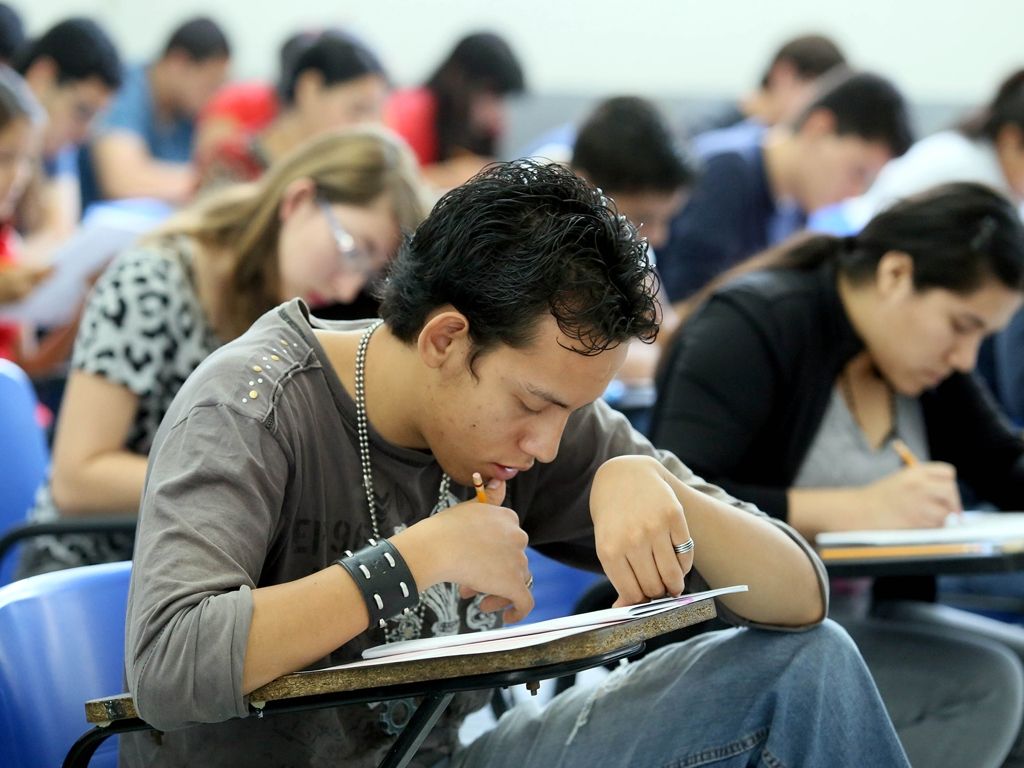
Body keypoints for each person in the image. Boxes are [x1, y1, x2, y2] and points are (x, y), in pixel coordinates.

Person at [122, 159, 908, 767]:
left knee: (807, 671)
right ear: (444, 340)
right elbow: (167, 662)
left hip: (455, 756)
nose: (549, 446)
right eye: (536, 406)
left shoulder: (535, 418)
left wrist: (650, 482)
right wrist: (415, 559)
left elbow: (800, 596)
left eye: (570, 414)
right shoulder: (251, 401)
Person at [650, 182, 1024, 767]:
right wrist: (854, 509)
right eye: (962, 325)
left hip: (864, 618)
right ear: (896, 274)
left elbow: (1007, 467)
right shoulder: (755, 325)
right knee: (986, 683)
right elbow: (670, 499)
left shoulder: (925, 364)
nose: (965, 357)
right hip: (745, 633)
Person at [16, 127, 427, 578]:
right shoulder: (152, 283)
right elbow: (77, 479)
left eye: (369, 270)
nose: (347, 285)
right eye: (352, 248)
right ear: (298, 201)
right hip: (94, 568)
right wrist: (252, 487)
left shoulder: (297, 320)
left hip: (200, 563)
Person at [657, 70, 913, 305]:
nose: (855, 192)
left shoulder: (795, 207)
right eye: (858, 172)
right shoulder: (727, 171)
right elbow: (678, 315)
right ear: (819, 127)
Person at [569, 95, 696, 387]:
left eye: (667, 220)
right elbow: (575, 355)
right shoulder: (535, 232)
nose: (659, 237)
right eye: (644, 218)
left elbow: (665, 331)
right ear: (585, 187)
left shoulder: (629, 240)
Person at [194, 29, 389, 190]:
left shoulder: (345, 173)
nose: (368, 126)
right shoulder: (234, 162)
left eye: (375, 113)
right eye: (358, 109)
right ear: (310, 89)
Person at [78, 16, 231, 208]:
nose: (212, 96)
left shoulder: (186, 115)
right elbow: (122, 180)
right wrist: (206, 182)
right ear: (179, 62)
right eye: (209, 84)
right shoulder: (123, 88)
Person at [13, 17, 121, 247]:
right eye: (81, 112)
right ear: (43, 76)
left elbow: (59, 234)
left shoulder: (55, 144)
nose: (83, 135)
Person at [386, 31, 524, 190]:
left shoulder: (490, 124)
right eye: (490, 95)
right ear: (459, 80)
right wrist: (449, 175)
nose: (496, 112)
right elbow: (387, 186)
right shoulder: (412, 111)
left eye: (501, 99)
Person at [0, 66, 46, 357]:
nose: (20, 175)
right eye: (5, 158)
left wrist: (85, 311)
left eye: (27, 159)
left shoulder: (8, 243)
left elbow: (27, 364)